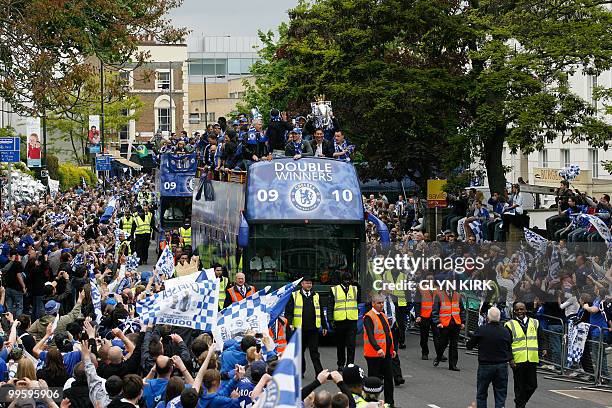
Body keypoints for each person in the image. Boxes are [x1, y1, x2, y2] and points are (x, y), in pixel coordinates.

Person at [466, 307, 512, 408]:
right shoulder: (505, 331)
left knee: (482, 393)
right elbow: (509, 347)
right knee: (500, 394)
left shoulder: (482, 329)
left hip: (485, 365)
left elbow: (469, 346)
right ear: (499, 318)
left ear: (487, 317)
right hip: (501, 365)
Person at [285, 277, 327, 377]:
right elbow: (289, 312)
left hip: (313, 329)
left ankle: (319, 373)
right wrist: (290, 323)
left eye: (310, 283)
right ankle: (300, 372)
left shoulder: (316, 295)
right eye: (307, 283)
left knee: (314, 352)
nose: (309, 285)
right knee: (300, 352)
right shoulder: (294, 295)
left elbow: (320, 312)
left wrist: (324, 326)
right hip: (299, 329)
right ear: (302, 284)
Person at [505, 302, 543, 408]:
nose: (519, 311)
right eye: (517, 310)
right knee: (519, 386)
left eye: (521, 309)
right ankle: (520, 405)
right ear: (514, 311)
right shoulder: (509, 325)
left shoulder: (535, 322)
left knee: (532, 385)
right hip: (518, 360)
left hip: (532, 359)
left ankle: (520, 402)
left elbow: (541, 337)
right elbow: (507, 344)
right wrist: (510, 359)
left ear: (525, 310)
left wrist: (544, 348)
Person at [363, 294, 395, 407]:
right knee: (373, 381)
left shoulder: (383, 315)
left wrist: (392, 349)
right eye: (379, 303)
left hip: (385, 353)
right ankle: (372, 404)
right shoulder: (368, 316)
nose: (381, 305)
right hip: (373, 354)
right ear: (373, 304)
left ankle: (390, 403)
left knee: (388, 379)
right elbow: (371, 335)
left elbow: (387, 334)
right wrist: (378, 348)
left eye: (382, 303)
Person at [329, 271, 360, 371]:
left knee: (351, 344)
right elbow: (330, 306)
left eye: (349, 280)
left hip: (352, 321)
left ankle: (350, 364)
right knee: (340, 345)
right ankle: (341, 364)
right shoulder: (334, 290)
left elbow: (358, 301)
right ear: (341, 280)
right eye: (345, 280)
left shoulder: (355, 289)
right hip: (339, 321)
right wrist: (331, 320)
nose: (347, 282)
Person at [432, 286, 465, 371]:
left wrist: (463, 322)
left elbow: (462, 310)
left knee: (454, 345)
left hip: (455, 323)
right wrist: (437, 322)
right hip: (444, 324)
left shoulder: (458, 295)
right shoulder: (439, 295)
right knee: (443, 343)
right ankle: (439, 357)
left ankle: (453, 365)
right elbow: (435, 310)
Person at [415, 275, 441, 360]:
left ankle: (439, 354)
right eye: (428, 279)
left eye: (431, 279)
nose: (430, 281)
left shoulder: (438, 289)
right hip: (424, 315)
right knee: (424, 336)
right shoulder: (421, 289)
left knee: (437, 335)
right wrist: (418, 315)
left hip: (435, 316)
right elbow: (417, 303)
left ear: (434, 280)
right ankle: (424, 353)